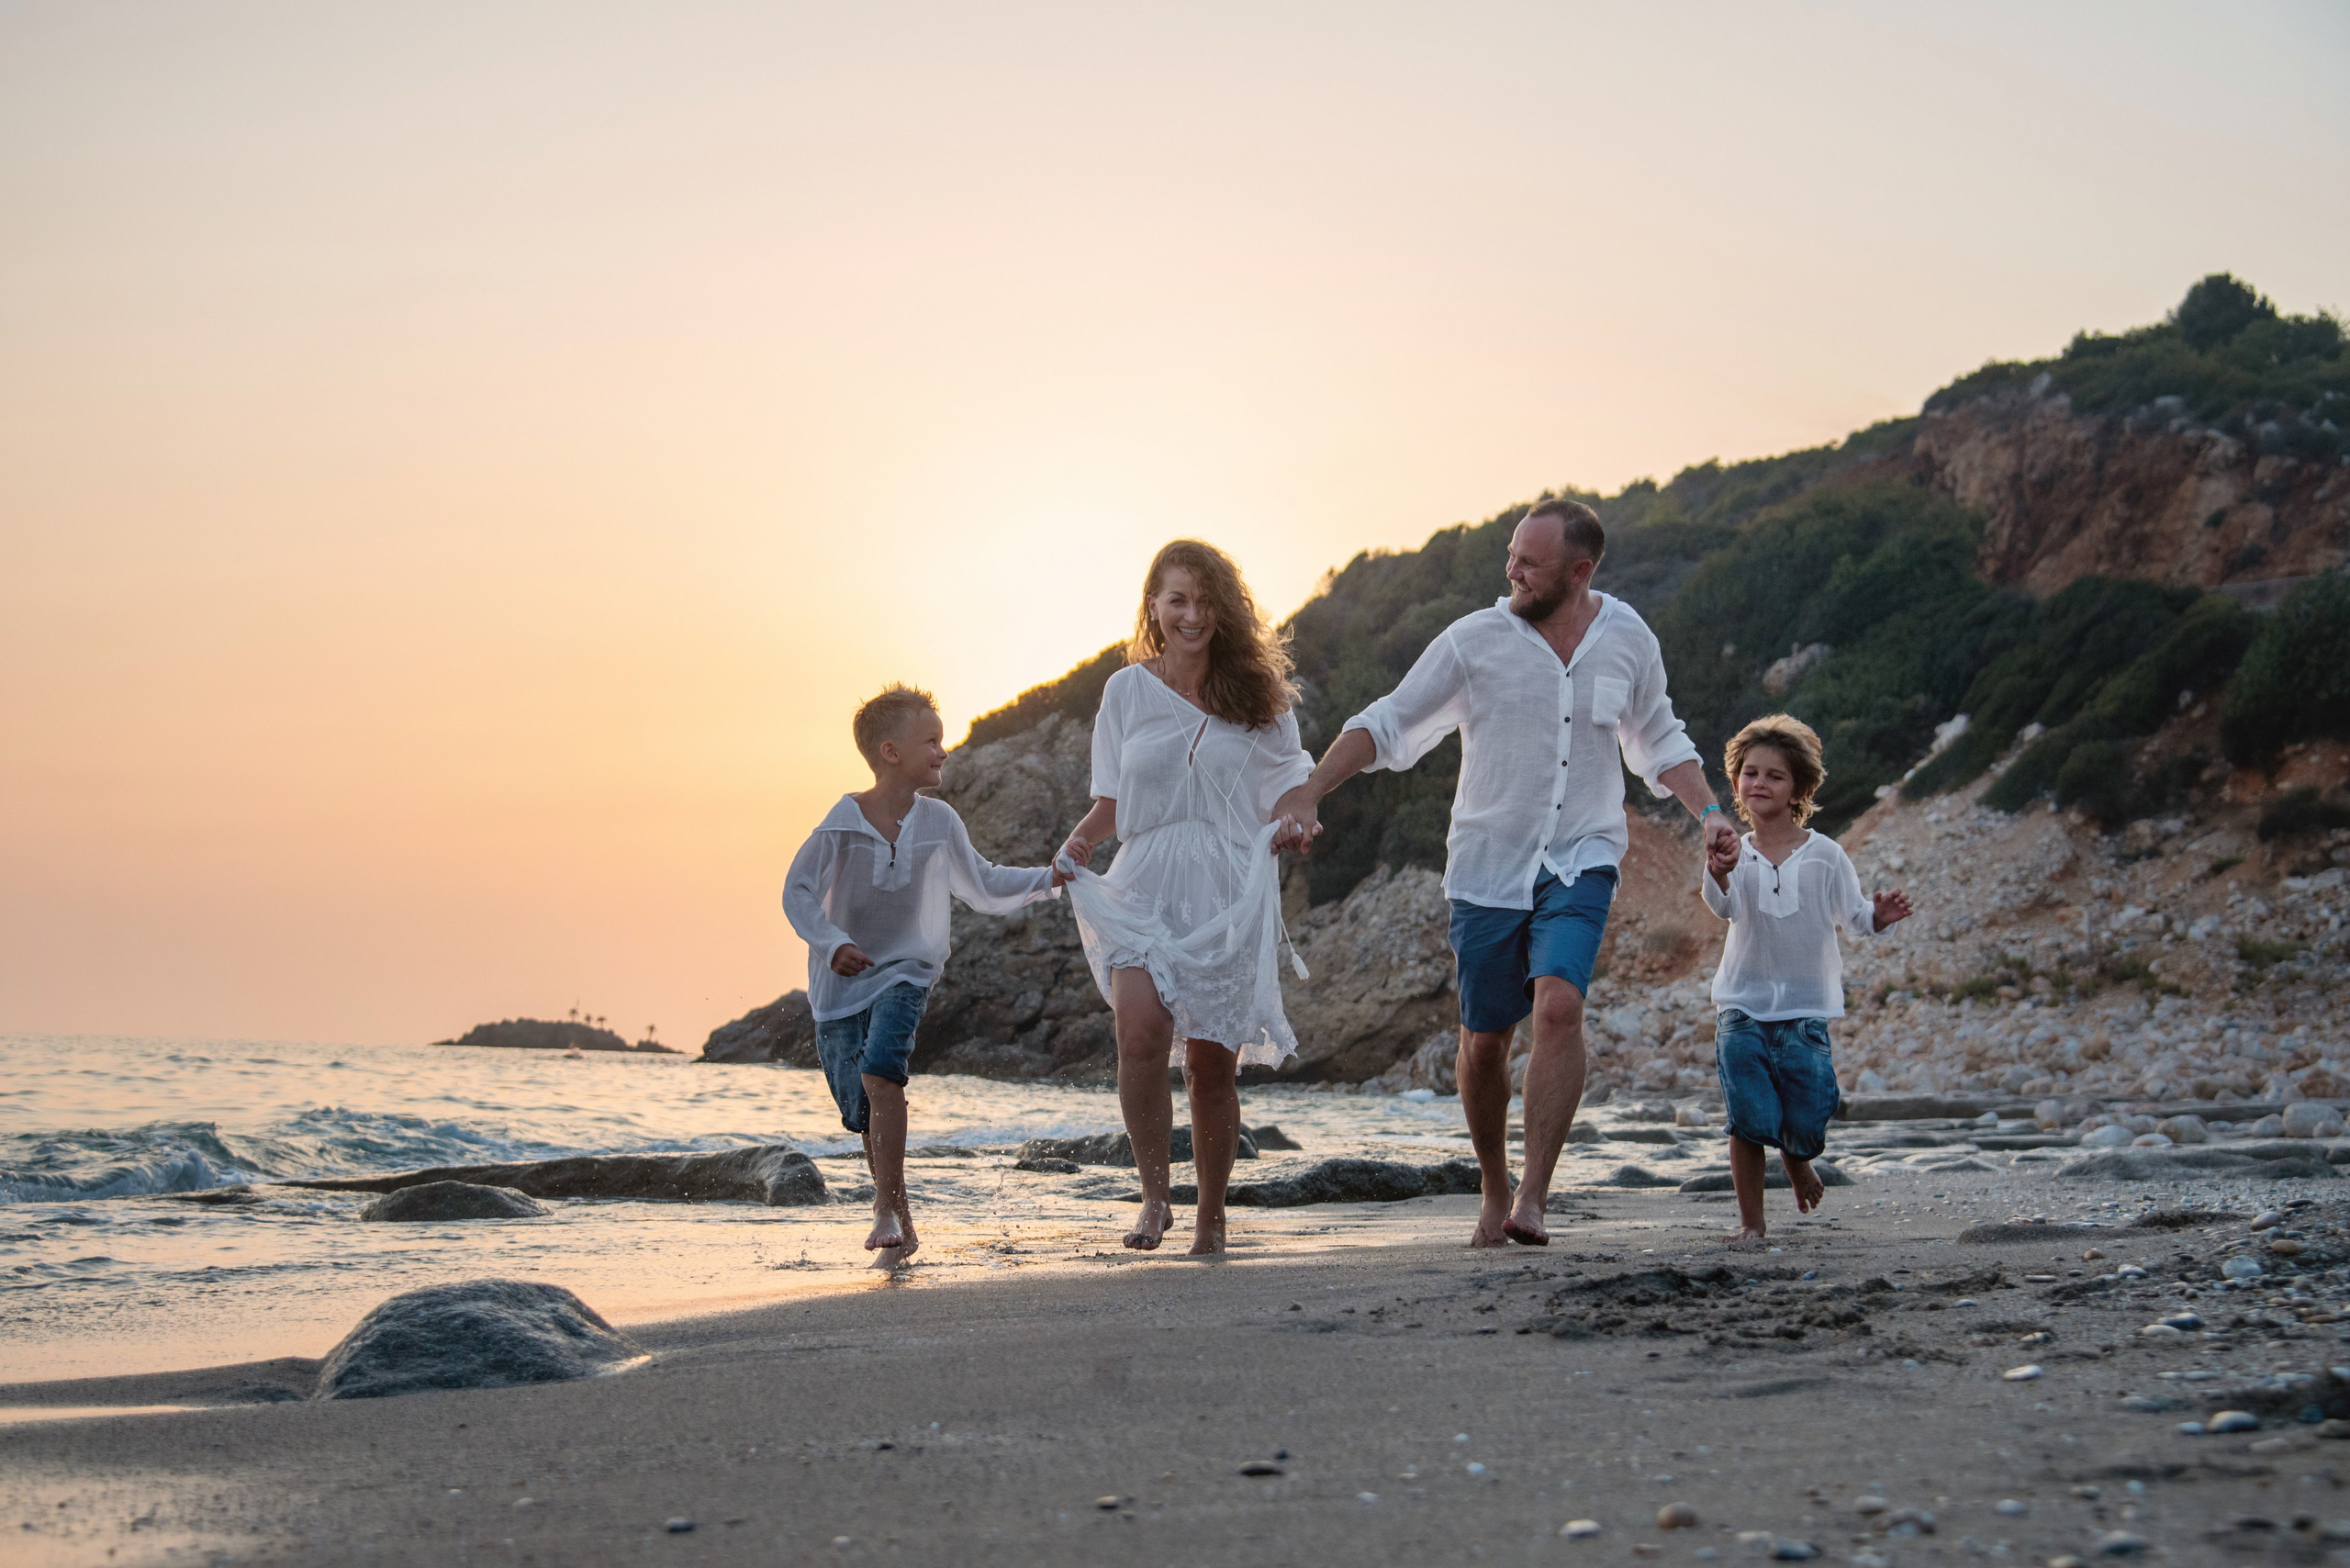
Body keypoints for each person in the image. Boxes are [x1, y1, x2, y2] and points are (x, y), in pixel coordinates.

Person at [1270, 498, 1737, 1248]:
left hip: (1582, 852)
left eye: (1530, 562)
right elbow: (1389, 722)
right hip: (1489, 863)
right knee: (1485, 1043)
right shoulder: (1472, 642)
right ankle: (1492, 1184)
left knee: (1557, 1009)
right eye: (1511, 555)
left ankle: (1533, 1197)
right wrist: (1307, 791)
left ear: (1579, 572)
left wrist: (1711, 809)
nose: (1512, 571)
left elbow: (1658, 739)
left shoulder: (1627, 639)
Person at [1057, 541, 1314, 1256]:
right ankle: (1153, 1198)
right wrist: (1078, 845)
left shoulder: (1261, 698)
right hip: (1142, 881)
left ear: (1224, 610)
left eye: (1205, 601)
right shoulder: (1125, 692)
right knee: (1139, 1034)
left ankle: (1211, 1215)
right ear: (1154, 606)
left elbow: (1293, 783)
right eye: (1177, 600)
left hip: (1225, 887)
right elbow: (1111, 799)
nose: (1191, 615)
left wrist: (1296, 823)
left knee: (1210, 1066)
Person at [783, 684, 1065, 1263]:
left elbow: (983, 882)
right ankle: (902, 1220)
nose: (943, 751)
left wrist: (1051, 876)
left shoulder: (938, 820)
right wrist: (832, 942)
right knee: (863, 1106)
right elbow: (798, 893)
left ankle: (884, 1210)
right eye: (931, 740)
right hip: (839, 987)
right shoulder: (841, 822)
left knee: (883, 1072)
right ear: (890, 752)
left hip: (908, 971)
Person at [1701, 715, 1910, 1245]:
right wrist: (1719, 870)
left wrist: (1880, 915)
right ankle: (1752, 1225)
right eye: (1750, 773)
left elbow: (1856, 919)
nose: (1759, 784)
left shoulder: (1826, 855)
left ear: (1798, 788)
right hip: (1741, 1006)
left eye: (1774, 775)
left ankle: (1798, 1162)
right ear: (1736, 782)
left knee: (1809, 1112)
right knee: (1746, 1119)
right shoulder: (1734, 849)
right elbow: (1723, 907)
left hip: (1805, 1010)